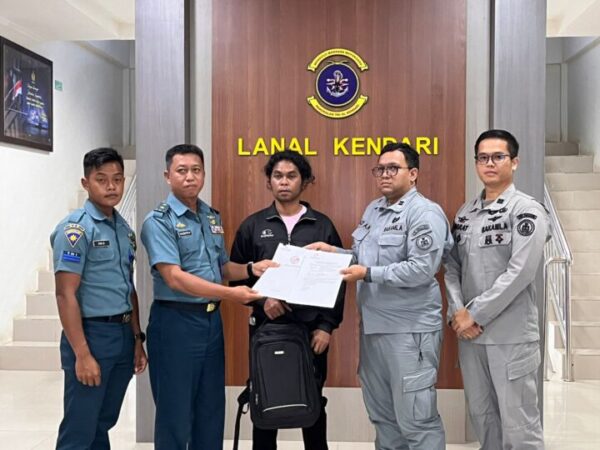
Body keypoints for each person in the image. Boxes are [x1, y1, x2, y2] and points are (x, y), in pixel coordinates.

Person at [308, 142, 451, 450]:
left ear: (413, 174)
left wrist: (368, 273)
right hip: (373, 330)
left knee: (417, 420)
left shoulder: (425, 213)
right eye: (380, 169)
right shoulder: (374, 209)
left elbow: (421, 269)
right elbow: (362, 259)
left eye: (393, 168)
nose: (385, 174)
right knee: (383, 417)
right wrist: (333, 253)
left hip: (410, 332)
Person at [140, 144, 275, 450]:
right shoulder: (158, 222)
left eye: (196, 170)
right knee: (175, 414)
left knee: (210, 410)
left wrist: (252, 268)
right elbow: (174, 278)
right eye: (182, 171)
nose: (190, 177)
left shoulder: (210, 217)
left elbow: (221, 267)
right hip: (175, 322)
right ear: (167, 176)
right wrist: (231, 294)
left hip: (211, 324)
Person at [230, 149, 345, 450]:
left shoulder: (322, 225)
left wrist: (326, 327)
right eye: (278, 176)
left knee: (312, 403)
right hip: (266, 330)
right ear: (268, 181)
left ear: (303, 181)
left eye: (291, 176)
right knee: (265, 403)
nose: (284, 182)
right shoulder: (253, 226)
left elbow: (338, 280)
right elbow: (237, 278)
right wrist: (262, 301)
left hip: (311, 333)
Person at [444, 129, 548, 450]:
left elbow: (521, 272)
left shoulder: (526, 210)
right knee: (483, 418)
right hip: (471, 337)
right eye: (483, 158)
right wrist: (458, 313)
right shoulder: (465, 213)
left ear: (514, 162)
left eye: (498, 157)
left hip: (511, 336)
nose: (489, 163)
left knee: (519, 426)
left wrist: (474, 313)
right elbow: (452, 267)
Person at [50, 147, 147, 449]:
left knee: (102, 422)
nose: (111, 186)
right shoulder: (76, 229)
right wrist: (82, 354)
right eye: (101, 179)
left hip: (122, 334)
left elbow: (128, 287)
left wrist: (137, 339)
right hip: (91, 335)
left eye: (117, 179)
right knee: (80, 428)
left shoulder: (123, 228)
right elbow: (65, 293)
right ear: (86, 183)